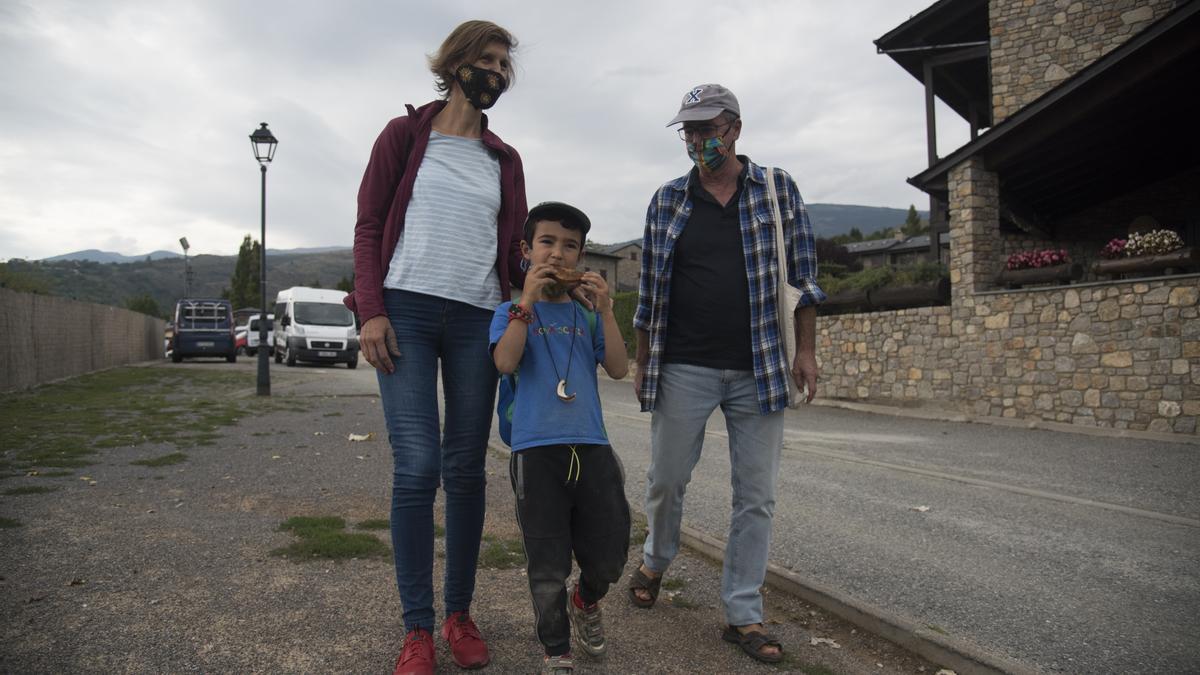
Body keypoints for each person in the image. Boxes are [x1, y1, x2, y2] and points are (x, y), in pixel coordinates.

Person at [344, 20, 527, 675]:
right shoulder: (403, 136)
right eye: (490, 60)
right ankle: (417, 629)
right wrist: (371, 309)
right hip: (408, 314)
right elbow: (368, 225)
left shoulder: (505, 160)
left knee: (466, 469)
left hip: (477, 318)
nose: (499, 73)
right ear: (456, 64)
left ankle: (459, 614)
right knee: (418, 465)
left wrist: (545, 281)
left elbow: (512, 251)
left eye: (506, 64)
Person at [628, 84, 825, 664]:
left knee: (756, 496)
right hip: (683, 364)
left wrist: (806, 352)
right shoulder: (667, 200)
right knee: (666, 479)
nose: (697, 140)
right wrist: (643, 360)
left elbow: (805, 279)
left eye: (707, 129)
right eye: (688, 131)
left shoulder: (776, 187)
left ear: (734, 128)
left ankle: (743, 613)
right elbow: (648, 292)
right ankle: (655, 561)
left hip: (758, 367)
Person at [489, 202, 631, 675]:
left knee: (610, 553)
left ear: (581, 255)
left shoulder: (587, 315)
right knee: (547, 565)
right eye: (547, 242)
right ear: (527, 251)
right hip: (536, 451)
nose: (558, 253)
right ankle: (556, 650)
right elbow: (505, 363)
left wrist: (607, 310)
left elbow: (617, 368)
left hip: (591, 445)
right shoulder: (511, 311)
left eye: (570, 246)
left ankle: (587, 600)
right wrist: (525, 304)